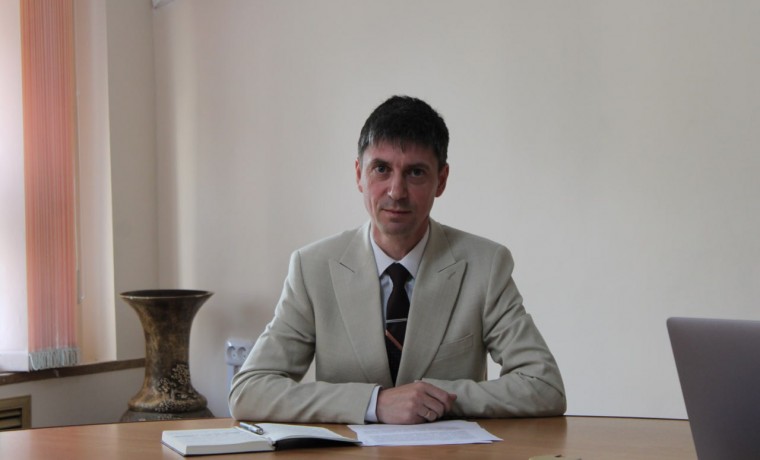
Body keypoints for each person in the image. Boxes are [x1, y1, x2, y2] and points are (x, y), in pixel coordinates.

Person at [229, 95, 566, 424]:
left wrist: (433, 399)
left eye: (415, 173)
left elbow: (544, 386)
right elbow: (249, 391)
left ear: (441, 180)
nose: (396, 191)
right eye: (381, 169)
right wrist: (374, 403)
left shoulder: (485, 265)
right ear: (359, 174)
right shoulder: (312, 268)